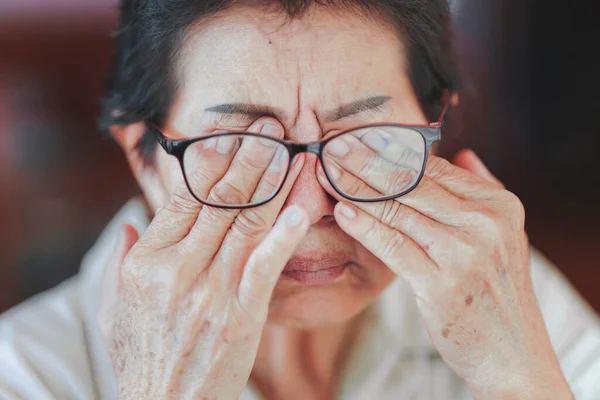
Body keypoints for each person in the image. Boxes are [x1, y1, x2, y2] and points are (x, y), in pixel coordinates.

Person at [1, 0, 599, 399]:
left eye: (366, 142)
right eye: (242, 150)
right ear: (143, 158)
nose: (309, 208)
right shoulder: (27, 371)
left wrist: (522, 379)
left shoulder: (500, 294)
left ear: (437, 130)